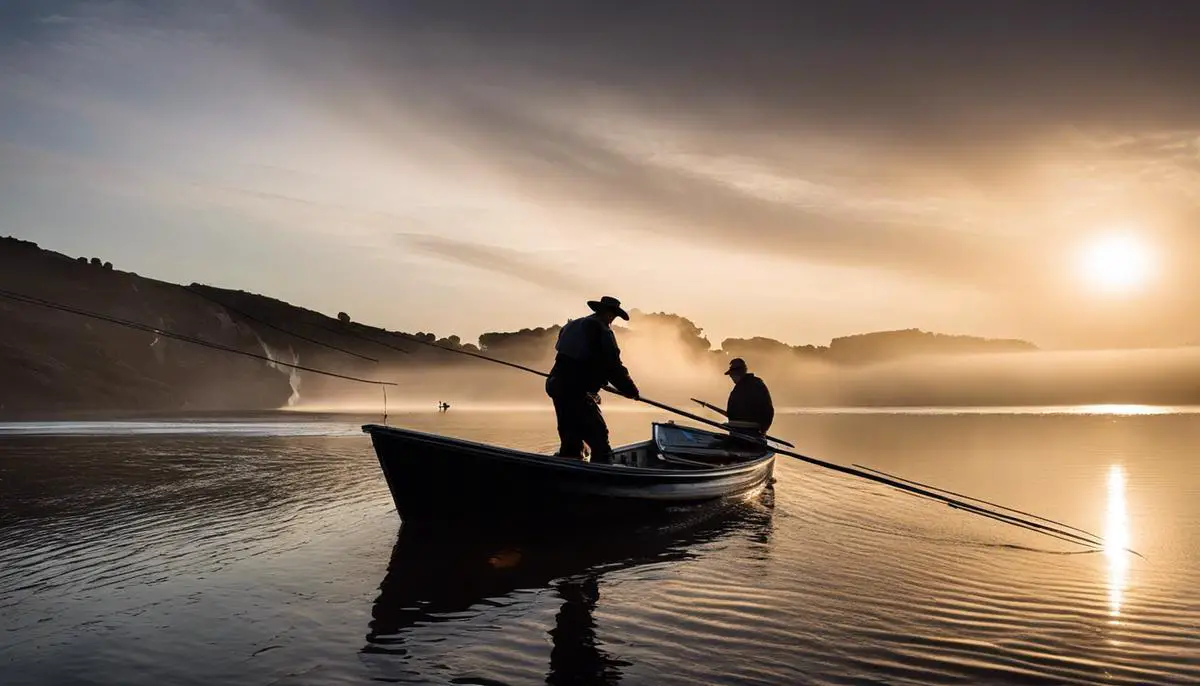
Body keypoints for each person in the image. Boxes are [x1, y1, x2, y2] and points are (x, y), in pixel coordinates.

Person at [545, 296, 640, 463]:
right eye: (613, 316)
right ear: (608, 314)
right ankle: (603, 472)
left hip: (556, 385)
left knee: (570, 436)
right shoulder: (602, 331)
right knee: (599, 437)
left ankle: (571, 462)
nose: (612, 320)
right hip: (576, 391)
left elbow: (568, 359)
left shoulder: (570, 326)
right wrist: (631, 390)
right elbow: (613, 367)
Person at [724, 357, 774, 435]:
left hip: (747, 431)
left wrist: (762, 431)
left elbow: (768, 410)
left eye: (732, 374)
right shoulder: (756, 384)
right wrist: (764, 430)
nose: (731, 377)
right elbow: (769, 411)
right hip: (739, 429)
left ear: (738, 373)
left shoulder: (752, 386)